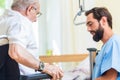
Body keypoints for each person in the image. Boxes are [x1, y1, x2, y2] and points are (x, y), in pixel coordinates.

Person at [0, 0, 63, 80]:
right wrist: (44, 67)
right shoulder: (20, 21)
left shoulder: (2, 20)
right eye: (37, 13)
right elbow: (16, 52)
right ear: (30, 9)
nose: (36, 19)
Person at [85, 7, 120, 80]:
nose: (88, 29)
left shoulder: (113, 42)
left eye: (90, 24)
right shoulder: (106, 46)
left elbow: (110, 78)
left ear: (103, 20)